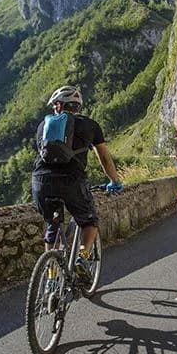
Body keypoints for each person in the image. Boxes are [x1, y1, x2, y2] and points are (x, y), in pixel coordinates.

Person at [32, 85, 123, 285]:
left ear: (58, 106)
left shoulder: (43, 126)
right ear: (78, 107)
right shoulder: (90, 125)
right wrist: (114, 181)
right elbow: (105, 159)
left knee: (53, 225)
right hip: (72, 181)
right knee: (89, 221)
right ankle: (82, 257)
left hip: (41, 182)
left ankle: (51, 277)